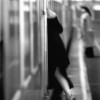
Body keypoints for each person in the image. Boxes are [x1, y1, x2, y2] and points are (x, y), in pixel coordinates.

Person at [47, 9, 75, 100]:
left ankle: (68, 94)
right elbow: (60, 29)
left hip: (54, 50)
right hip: (59, 47)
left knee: (56, 73)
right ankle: (68, 94)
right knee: (59, 73)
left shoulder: (46, 20)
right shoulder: (54, 20)